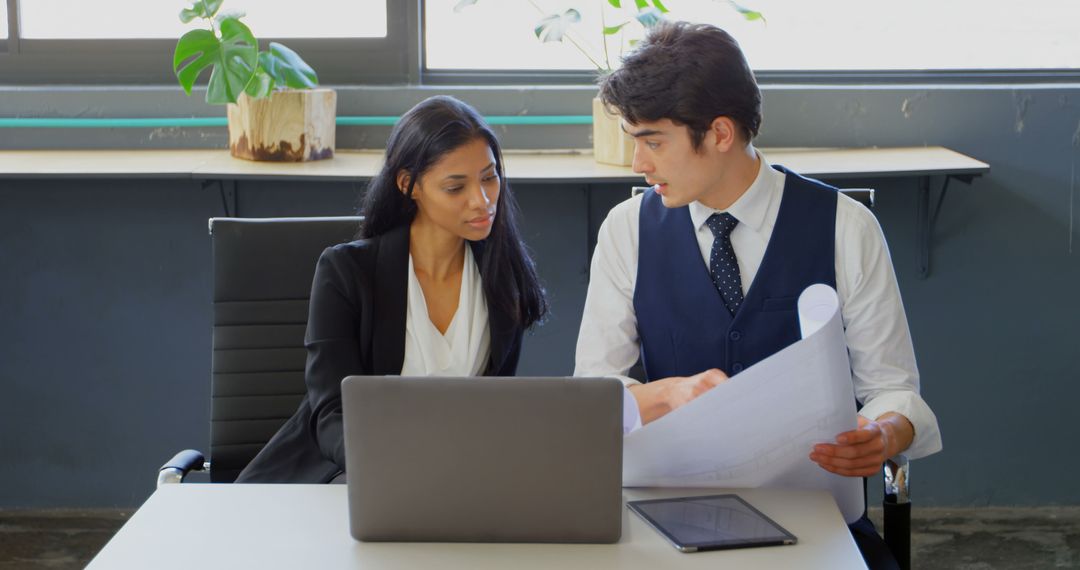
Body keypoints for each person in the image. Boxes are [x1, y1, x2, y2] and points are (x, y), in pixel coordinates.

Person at [574, 21, 941, 569]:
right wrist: (667, 395)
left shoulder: (847, 227)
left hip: (814, 519)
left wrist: (884, 434)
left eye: (653, 142)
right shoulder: (626, 230)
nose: (638, 164)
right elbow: (595, 394)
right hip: (663, 518)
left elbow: (893, 390)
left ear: (720, 133)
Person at [238, 95, 548, 483]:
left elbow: (493, 409)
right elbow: (332, 414)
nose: (482, 201)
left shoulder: (503, 276)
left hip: (456, 481)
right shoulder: (347, 272)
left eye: (489, 177)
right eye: (455, 188)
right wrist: (396, 468)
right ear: (409, 185)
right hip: (353, 476)